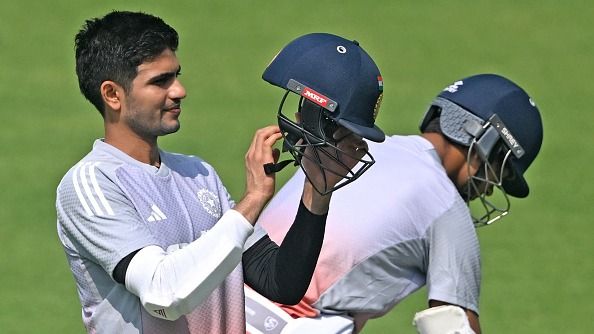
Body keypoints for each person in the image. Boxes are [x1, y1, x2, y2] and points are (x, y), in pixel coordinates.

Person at [55, 12, 384, 334]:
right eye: (160, 81)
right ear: (112, 94)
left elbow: (279, 281)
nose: (179, 90)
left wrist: (318, 190)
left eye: (176, 75)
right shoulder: (92, 184)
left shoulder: (199, 174)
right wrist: (252, 200)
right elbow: (163, 293)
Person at [246, 73, 544, 334]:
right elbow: (452, 327)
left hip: (221, 304)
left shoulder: (351, 146)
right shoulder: (448, 207)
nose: (490, 191)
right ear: (485, 141)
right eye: (500, 172)